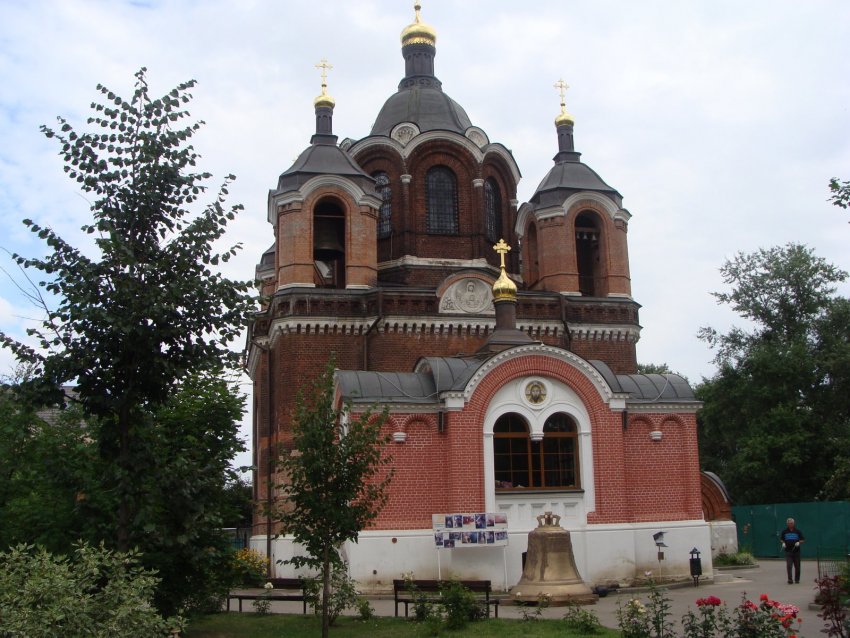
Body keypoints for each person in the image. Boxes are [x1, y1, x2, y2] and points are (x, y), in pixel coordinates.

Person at [779, 517, 805, 584]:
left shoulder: (797, 531)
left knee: (797, 566)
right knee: (789, 566)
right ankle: (790, 579)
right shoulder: (784, 531)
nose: (790, 524)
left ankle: (797, 579)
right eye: (789, 523)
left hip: (796, 551)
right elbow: (781, 539)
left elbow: (802, 539)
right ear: (787, 524)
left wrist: (799, 542)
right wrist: (783, 543)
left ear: (794, 523)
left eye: (791, 523)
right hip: (788, 551)